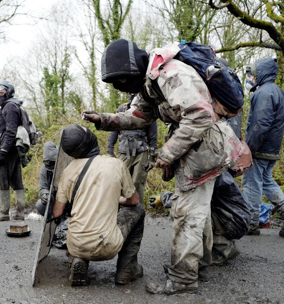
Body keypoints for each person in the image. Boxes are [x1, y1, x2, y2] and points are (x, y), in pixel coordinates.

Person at [83, 39, 242, 294]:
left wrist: (167, 153)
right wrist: (103, 120)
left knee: (186, 213)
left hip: (204, 150)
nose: (121, 88)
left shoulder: (170, 74)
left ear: (129, 74)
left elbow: (200, 115)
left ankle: (182, 279)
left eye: (120, 82)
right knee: (197, 211)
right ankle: (199, 266)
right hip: (200, 147)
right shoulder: (150, 82)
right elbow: (139, 117)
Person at [53, 124, 145, 286]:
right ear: (89, 140)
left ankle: (78, 259)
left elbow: (57, 212)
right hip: (107, 244)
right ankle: (126, 270)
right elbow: (134, 200)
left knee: (79, 221)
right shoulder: (115, 164)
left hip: (75, 244)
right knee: (138, 210)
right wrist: (117, 199)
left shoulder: (67, 171)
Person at [242, 58, 284, 236]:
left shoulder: (264, 93)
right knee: (266, 181)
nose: (250, 78)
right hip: (271, 148)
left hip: (260, 148)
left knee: (251, 183)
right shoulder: (276, 91)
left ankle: (250, 224)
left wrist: (248, 150)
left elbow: (260, 125)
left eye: (252, 74)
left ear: (260, 73)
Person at [107, 96, 158, 204]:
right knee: (119, 182)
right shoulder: (122, 109)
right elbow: (114, 128)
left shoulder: (148, 111)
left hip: (141, 152)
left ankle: (137, 212)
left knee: (137, 183)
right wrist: (110, 150)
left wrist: (152, 157)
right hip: (124, 151)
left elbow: (153, 135)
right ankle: (119, 211)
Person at [0, 80, 26, 221]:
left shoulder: (9, 107)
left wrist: (3, 151)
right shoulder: (11, 106)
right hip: (13, 150)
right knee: (16, 179)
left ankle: (4, 212)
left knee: (2, 179)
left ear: (9, 92)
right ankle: (19, 213)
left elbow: (10, 131)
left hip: (9, 150)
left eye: (3, 91)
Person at [35, 141, 58, 216]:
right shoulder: (44, 169)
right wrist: (44, 194)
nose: (52, 167)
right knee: (40, 205)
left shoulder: (64, 164)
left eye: (53, 165)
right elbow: (43, 187)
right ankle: (53, 220)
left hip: (66, 198)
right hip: (54, 198)